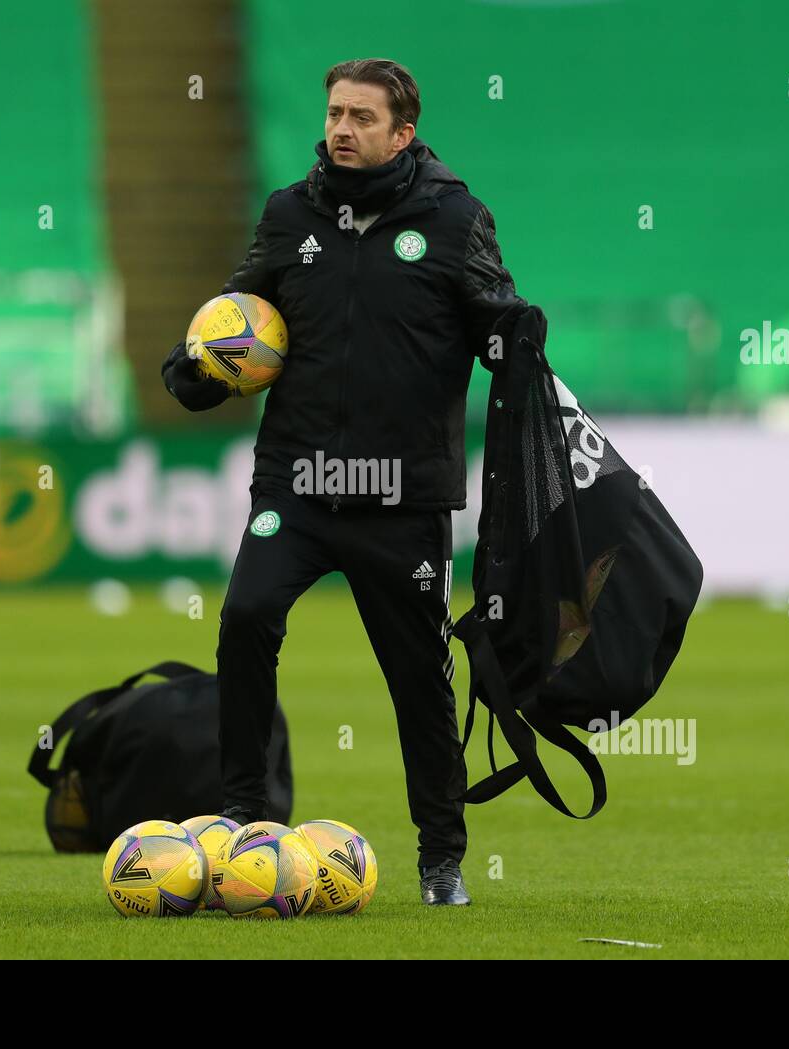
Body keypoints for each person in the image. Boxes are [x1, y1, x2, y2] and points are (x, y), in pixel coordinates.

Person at [162, 57, 527, 906]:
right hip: (295, 483)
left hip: (403, 498)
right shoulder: (290, 214)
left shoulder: (455, 217)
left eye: (363, 117)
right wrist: (194, 371)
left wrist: (519, 338)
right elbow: (234, 315)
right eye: (334, 113)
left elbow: (497, 327)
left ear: (404, 132)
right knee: (246, 617)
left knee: (417, 679)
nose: (342, 129)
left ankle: (441, 858)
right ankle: (243, 816)